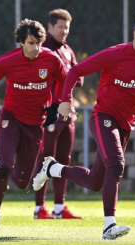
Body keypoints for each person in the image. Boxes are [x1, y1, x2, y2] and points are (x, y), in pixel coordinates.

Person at [33, 14, 135, 240]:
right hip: (104, 117)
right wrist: (64, 100)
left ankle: (53, 169)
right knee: (116, 164)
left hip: (126, 124)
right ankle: (109, 226)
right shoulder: (114, 54)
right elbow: (75, 72)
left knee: (95, 182)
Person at [0, 19, 67, 231]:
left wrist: (56, 105)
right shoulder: (7, 60)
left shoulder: (52, 59)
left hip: (35, 123)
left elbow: (65, 80)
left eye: (38, 42)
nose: (35, 48)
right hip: (11, 118)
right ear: (21, 42)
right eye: (30, 43)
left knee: (21, 182)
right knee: (6, 165)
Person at [33, 9, 84, 220]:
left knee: (64, 160)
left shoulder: (68, 51)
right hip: (50, 114)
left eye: (67, 28)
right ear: (50, 27)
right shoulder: (43, 50)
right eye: (60, 27)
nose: (64, 31)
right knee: (46, 160)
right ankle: (39, 208)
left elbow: (76, 79)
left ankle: (59, 207)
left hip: (67, 115)